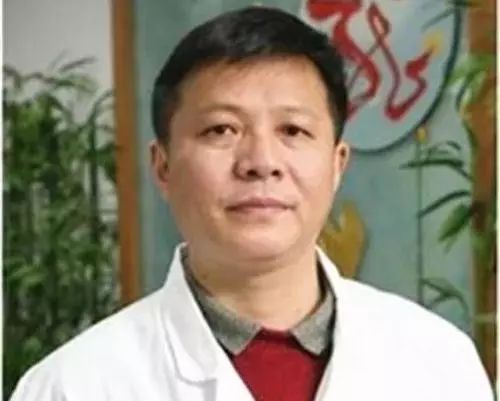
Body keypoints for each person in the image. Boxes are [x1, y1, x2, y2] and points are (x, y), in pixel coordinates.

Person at [10, 6, 493, 401]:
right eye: (221, 129)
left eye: (293, 130)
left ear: (336, 164)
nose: (261, 162)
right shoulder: (72, 386)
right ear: (163, 166)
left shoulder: (437, 362)